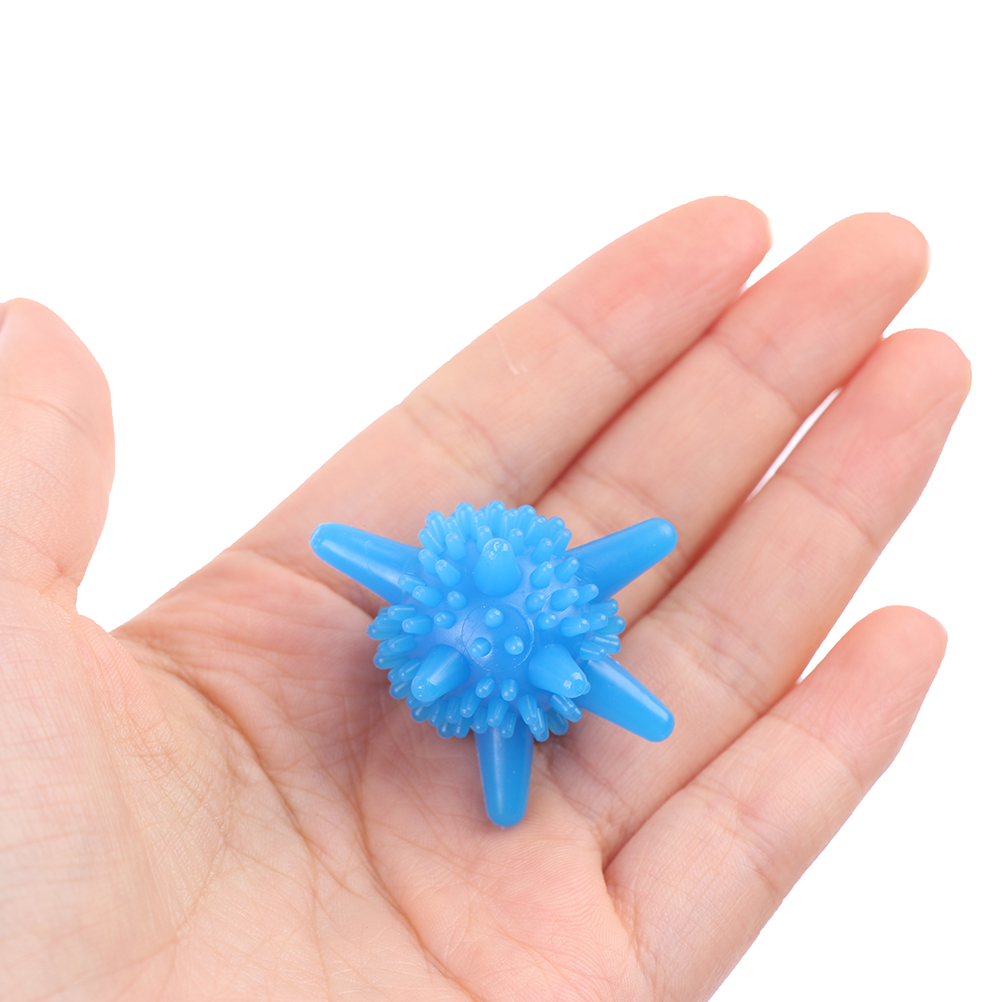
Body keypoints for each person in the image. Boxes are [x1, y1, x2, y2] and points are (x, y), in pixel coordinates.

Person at [0, 196, 969, 1000]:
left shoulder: (517, 636)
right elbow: (364, 565)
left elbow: (604, 605)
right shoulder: (443, 628)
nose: (476, 632)